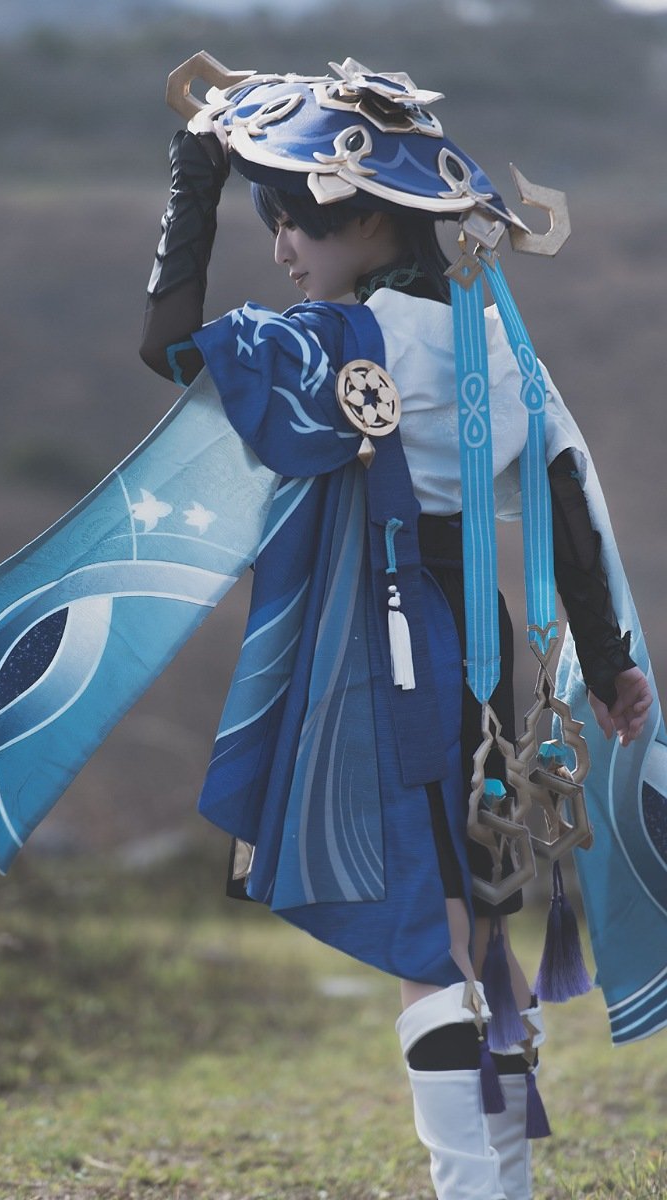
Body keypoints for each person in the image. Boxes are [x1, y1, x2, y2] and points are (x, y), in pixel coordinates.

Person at [139, 58, 654, 1200]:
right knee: (478, 931)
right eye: (273, 223)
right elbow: (562, 497)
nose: (283, 248)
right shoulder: (493, 339)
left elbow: (170, 346)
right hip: (484, 649)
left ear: (368, 217)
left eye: (293, 221)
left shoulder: (341, 338)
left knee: (433, 939)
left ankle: (475, 1189)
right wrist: (611, 662)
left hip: (383, 650)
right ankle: (497, 1187)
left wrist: (194, 179)